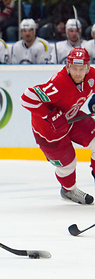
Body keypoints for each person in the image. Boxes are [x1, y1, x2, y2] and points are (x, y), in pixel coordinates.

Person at [21, 48, 95, 205]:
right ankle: (68, 190)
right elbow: (26, 98)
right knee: (68, 165)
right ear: (68, 66)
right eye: (74, 68)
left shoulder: (91, 76)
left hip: (72, 117)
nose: (77, 73)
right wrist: (50, 115)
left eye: (81, 69)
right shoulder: (58, 83)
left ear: (87, 67)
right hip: (48, 131)